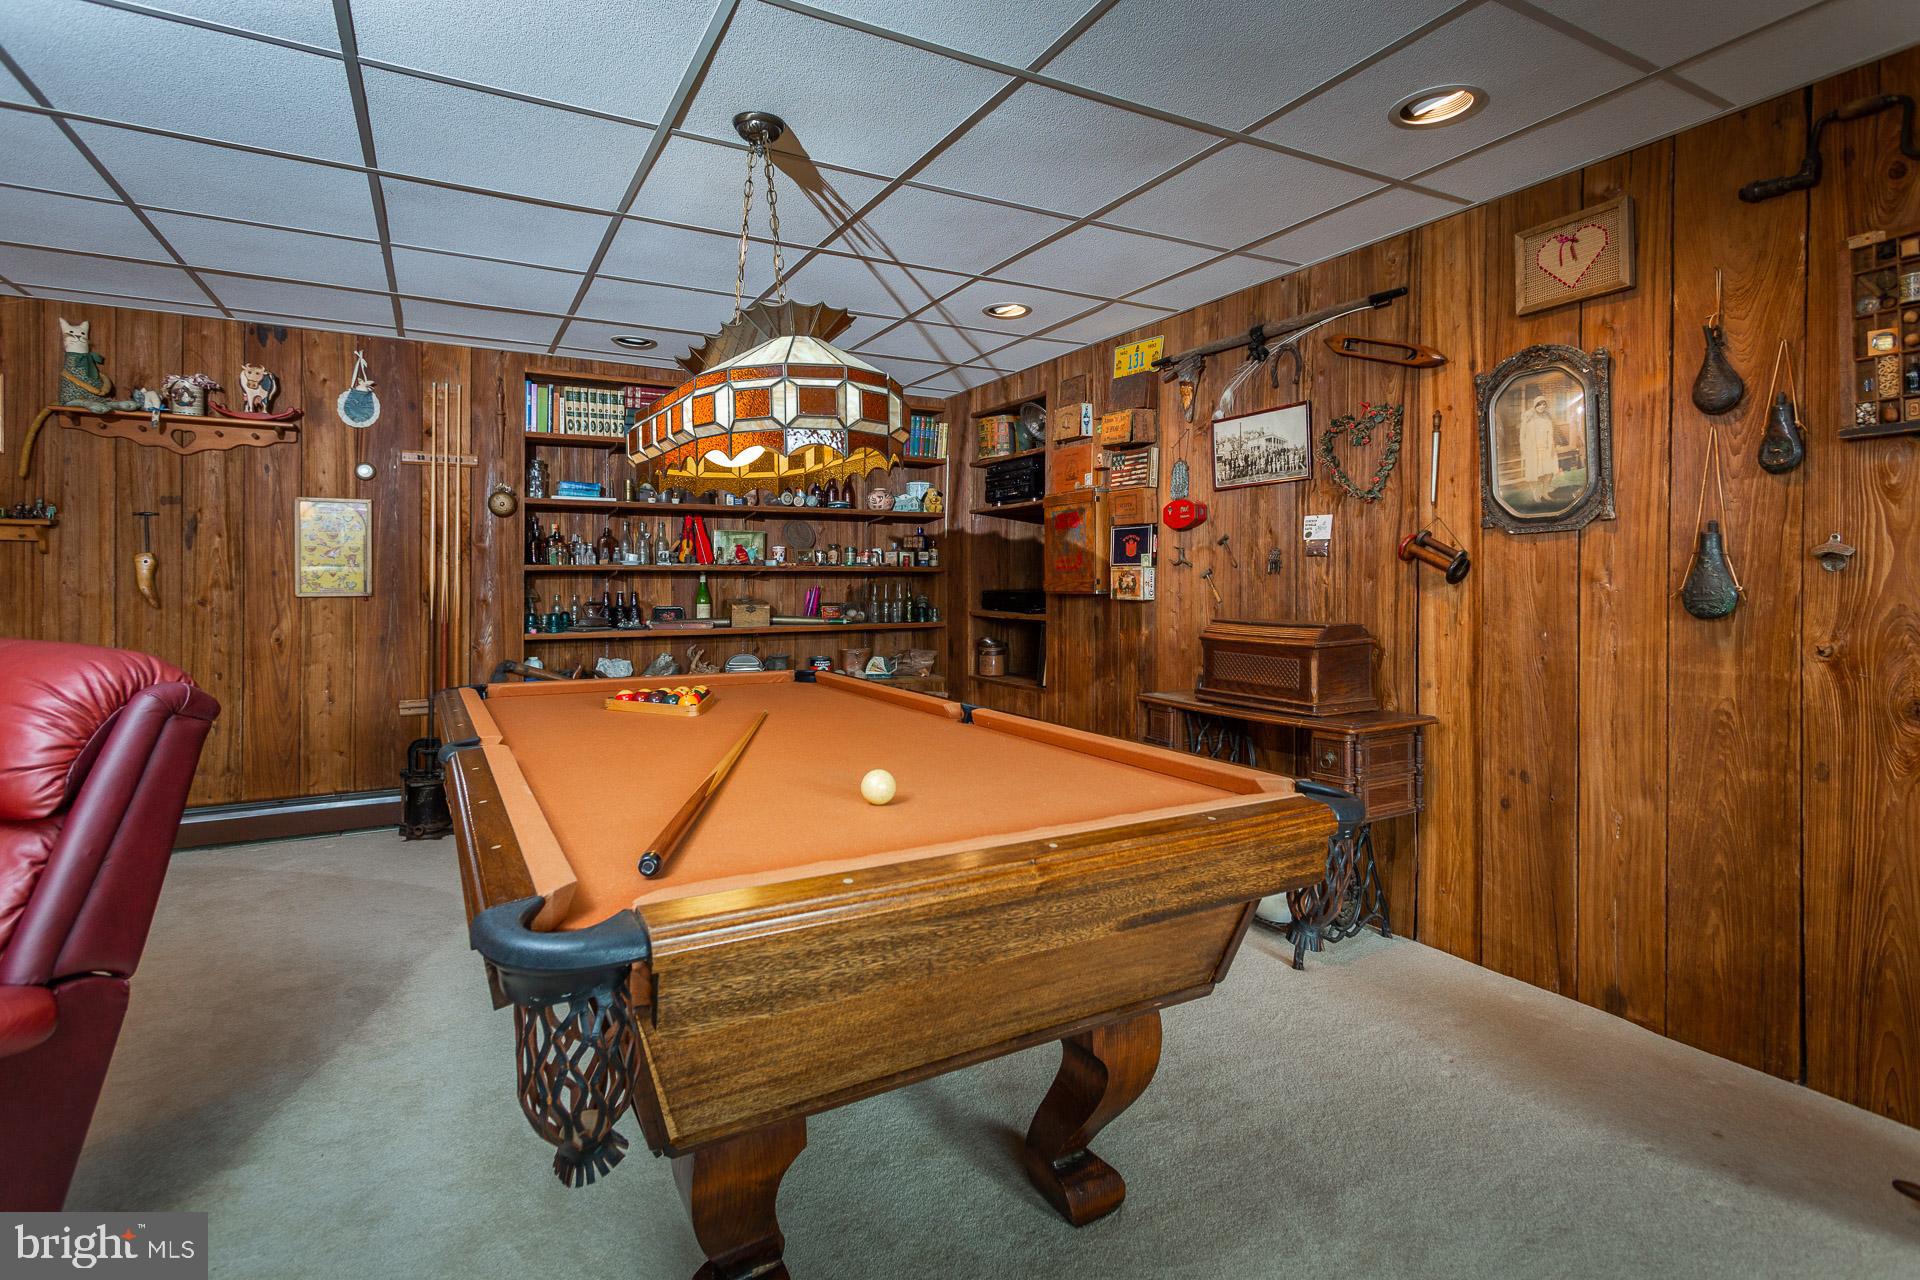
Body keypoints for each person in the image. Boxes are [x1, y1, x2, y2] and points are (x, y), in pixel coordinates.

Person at [1516, 393, 1560, 504]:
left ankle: (1545, 493)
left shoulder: (1547, 417)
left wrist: (1552, 445)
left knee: (1548, 473)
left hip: (1546, 448)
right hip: (1533, 450)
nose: (1542, 407)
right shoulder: (1528, 417)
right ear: (1535, 405)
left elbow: (1551, 433)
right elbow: (1522, 435)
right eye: (1539, 405)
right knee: (1535, 474)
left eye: (1544, 405)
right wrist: (1523, 449)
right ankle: (1536, 495)